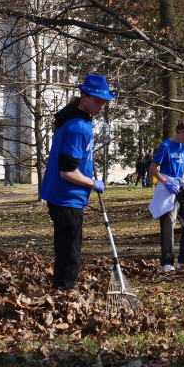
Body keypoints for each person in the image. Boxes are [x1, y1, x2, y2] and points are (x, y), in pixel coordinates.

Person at [39, 73, 113, 290]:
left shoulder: (76, 119)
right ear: (83, 96)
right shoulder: (77, 126)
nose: (101, 106)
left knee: (66, 251)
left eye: (104, 102)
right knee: (70, 255)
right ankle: (63, 296)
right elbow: (67, 172)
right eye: (97, 101)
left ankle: (61, 292)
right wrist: (92, 183)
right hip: (66, 198)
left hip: (64, 197)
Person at [149, 120, 184, 271]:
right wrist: (166, 183)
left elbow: (183, 169)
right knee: (168, 225)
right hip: (168, 188)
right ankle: (167, 262)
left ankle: (183, 261)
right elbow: (153, 168)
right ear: (180, 131)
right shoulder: (165, 146)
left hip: (181, 187)